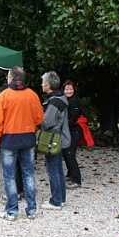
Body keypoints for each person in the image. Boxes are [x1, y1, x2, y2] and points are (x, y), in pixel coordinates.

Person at [0, 67, 44, 221]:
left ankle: (12, 211)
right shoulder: (32, 95)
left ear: (11, 79)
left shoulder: (3, 96)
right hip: (28, 139)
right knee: (29, 174)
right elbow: (40, 119)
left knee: (10, 176)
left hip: (9, 141)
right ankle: (31, 210)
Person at [40, 71, 71, 210]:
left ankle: (56, 201)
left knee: (52, 169)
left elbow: (47, 123)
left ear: (48, 85)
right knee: (58, 169)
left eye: (43, 83)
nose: (41, 85)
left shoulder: (54, 101)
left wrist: (38, 121)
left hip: (52, 138)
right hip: (60, 137)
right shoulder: (61, 98)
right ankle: (61, 198)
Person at [62, 80, 82, 189]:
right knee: (66, 152)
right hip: (68, 130)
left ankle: (76, 180)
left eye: (71, 89)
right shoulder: (65, 101)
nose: (69, 91)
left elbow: (74, 117)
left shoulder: (74, 101)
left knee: (70, 154)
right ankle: (70, 173)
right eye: (67, 89)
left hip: (74, 130)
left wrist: (64, 126)